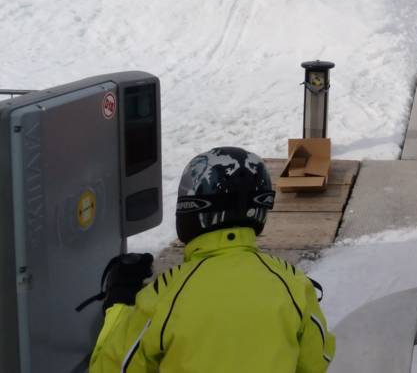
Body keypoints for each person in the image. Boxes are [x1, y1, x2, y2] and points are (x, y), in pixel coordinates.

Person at [88, 147, 335, 372]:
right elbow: (316, 360)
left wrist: (119, 304)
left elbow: (109, 368)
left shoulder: (166, 295)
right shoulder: (292, 284)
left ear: (191, 209)